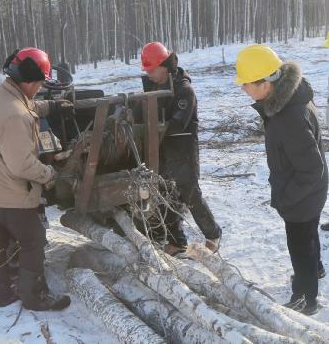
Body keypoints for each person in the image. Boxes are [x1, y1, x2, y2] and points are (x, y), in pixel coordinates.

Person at [0, 47, 72, 311]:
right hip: (9, 194)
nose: (39, 88)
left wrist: (50, 106)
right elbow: (21, 165)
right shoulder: (16, 116)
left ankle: (0, 295)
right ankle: (35, 297)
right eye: (39, 84)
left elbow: (24, 104)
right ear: (29, 80)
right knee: (33, 240)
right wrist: (49, 174)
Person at [236, 44, 328, 315]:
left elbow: (312, 169)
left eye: (247, 84)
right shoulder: (287, 100)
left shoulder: (288, 116)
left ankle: (305, 298)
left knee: (300, 243)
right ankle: (314, 271)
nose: (244, 89)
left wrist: (286, 198)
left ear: (265, 84)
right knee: (307, 238)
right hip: (306, 191)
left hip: (302, 194)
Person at [139, 42, 222, 255]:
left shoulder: (185, 91)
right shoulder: (153, 87)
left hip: (183, 151)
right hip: (163, 151)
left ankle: (213, 234)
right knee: (165, 195)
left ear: (164, 66)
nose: (148, 74)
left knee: (190, 194)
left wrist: (154, 126)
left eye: (151, 70)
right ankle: (177, 242)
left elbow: (177, 124)